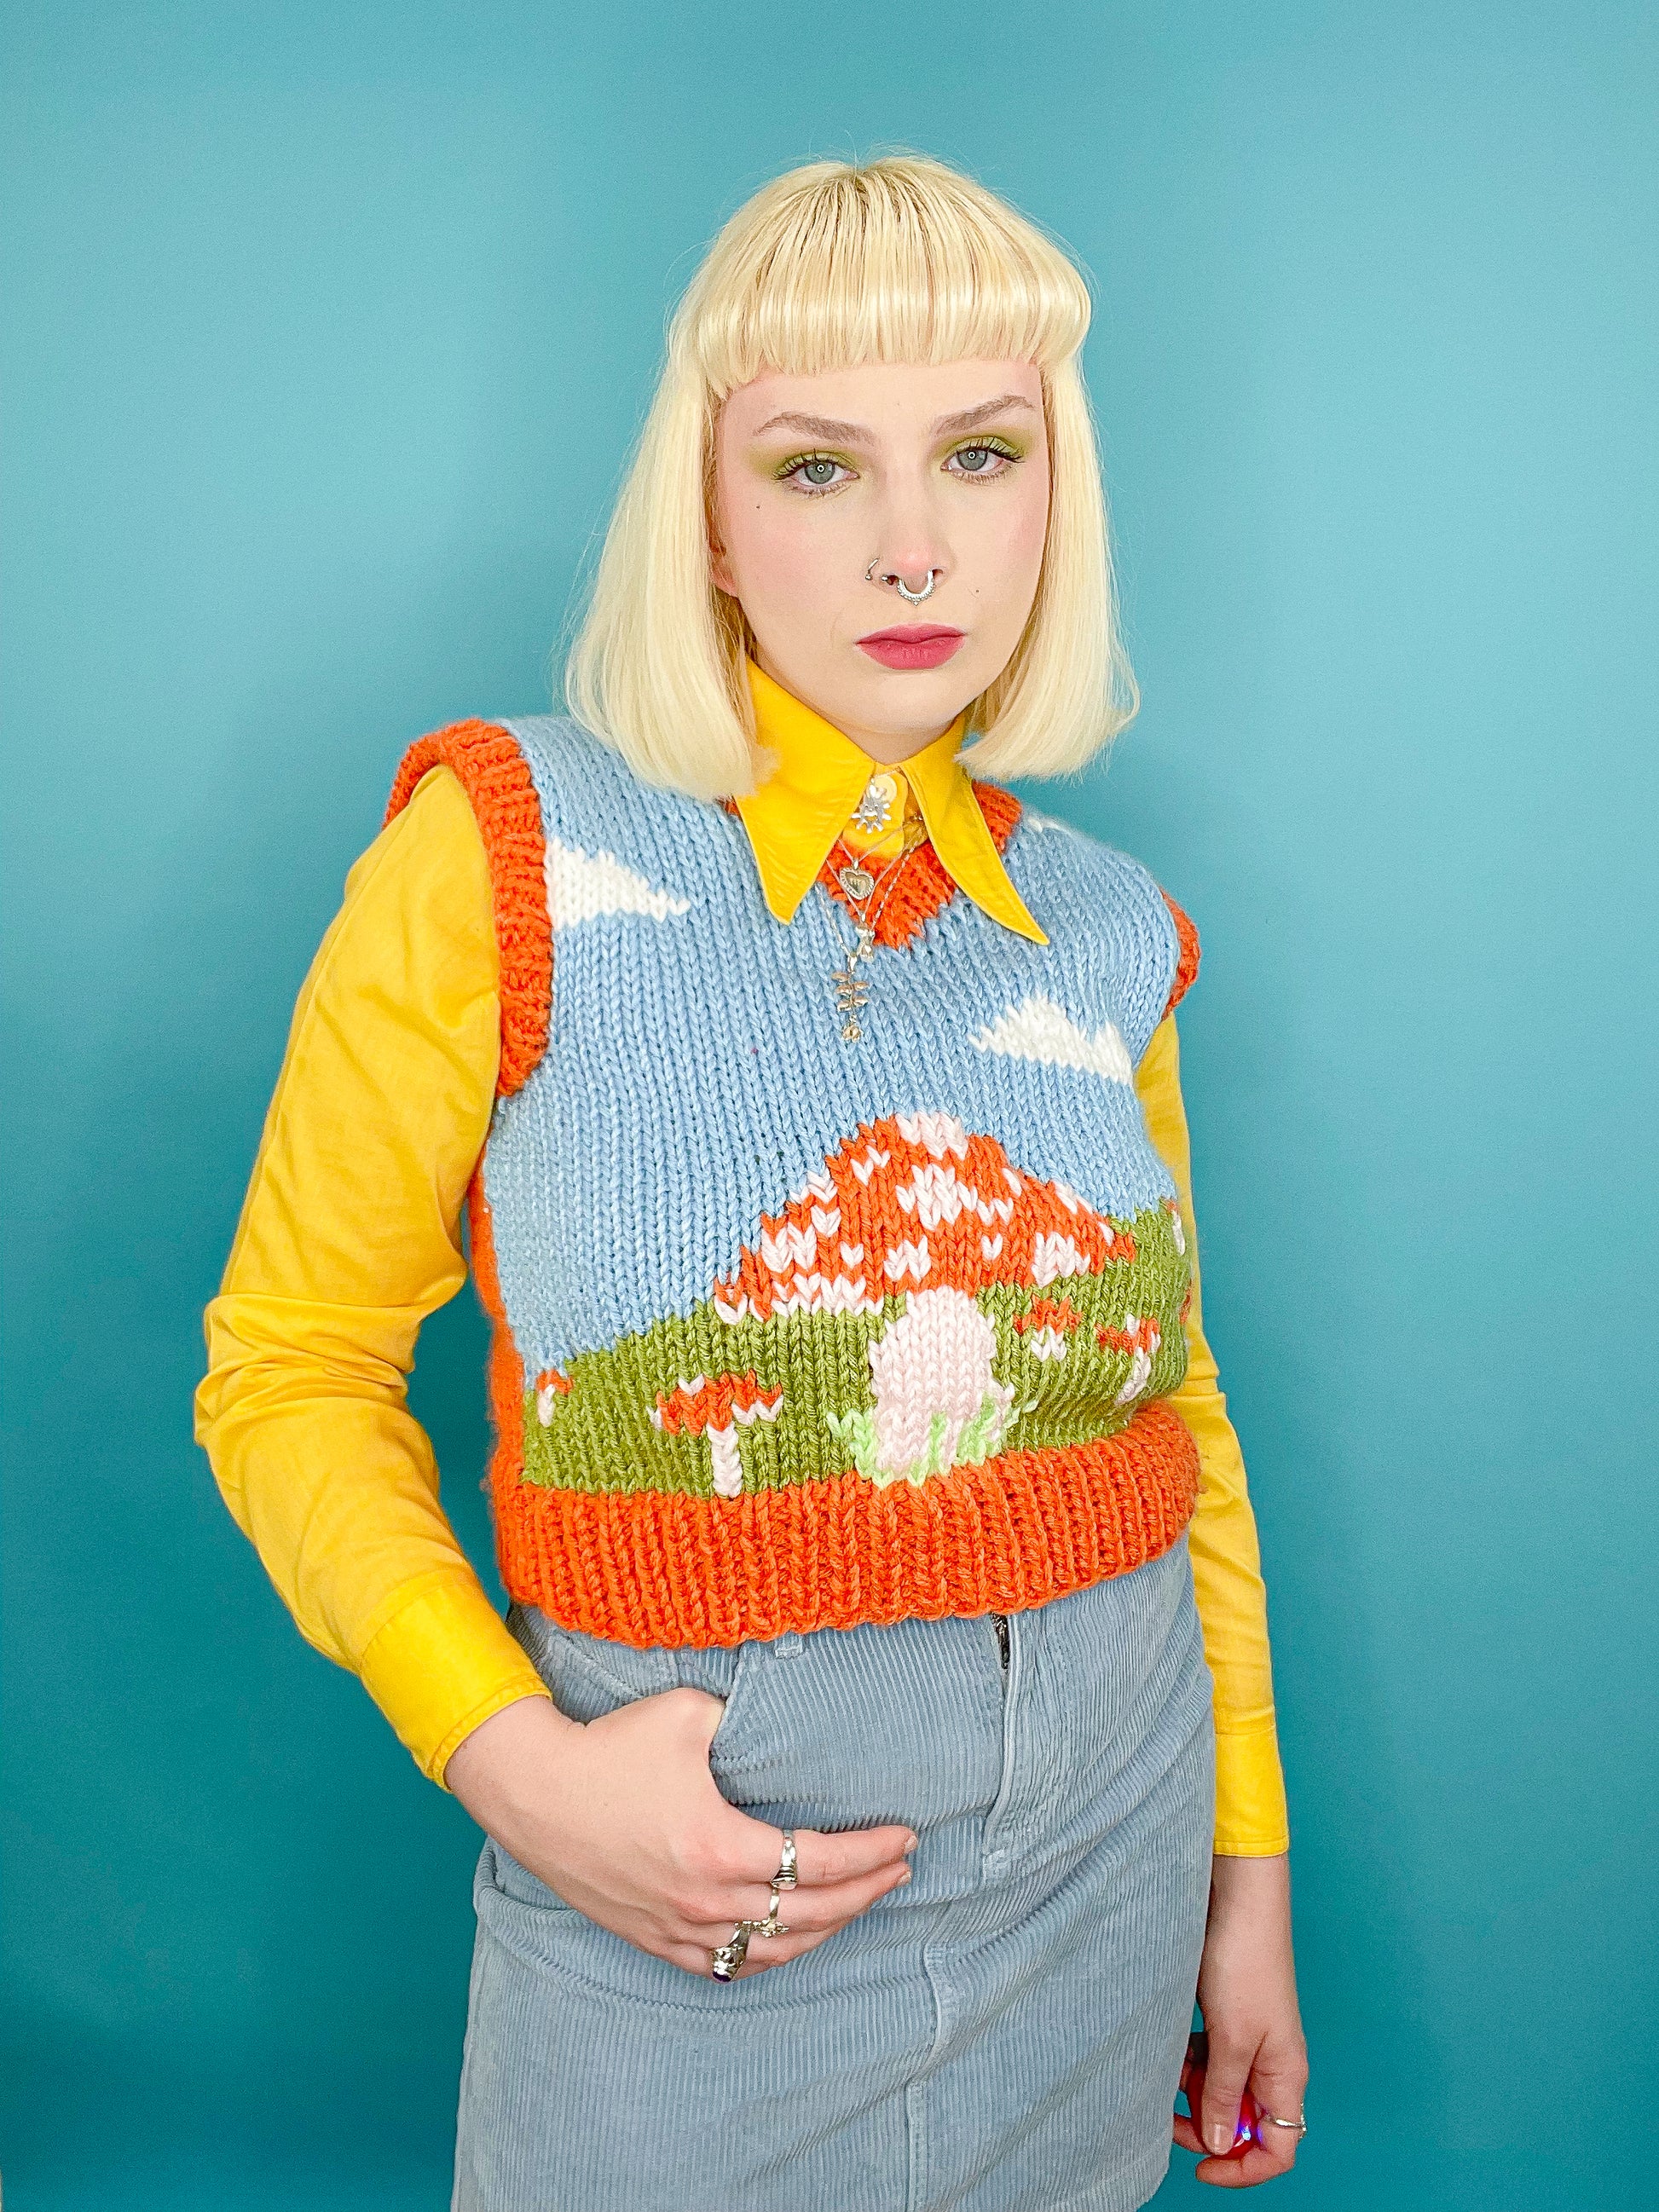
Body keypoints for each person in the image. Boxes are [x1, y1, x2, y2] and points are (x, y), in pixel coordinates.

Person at [196, 152, 1308, 2211]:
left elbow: (1178, 1412)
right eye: (815, 469)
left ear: (1055, 486)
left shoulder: (1107, 922)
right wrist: (517, 1768)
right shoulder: (503, 845)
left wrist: (1246, 1869)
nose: (912, 544)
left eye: (981, 452)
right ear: (701, 511)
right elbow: (286, 1366)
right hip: (690, 1910)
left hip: (1111, 1867)